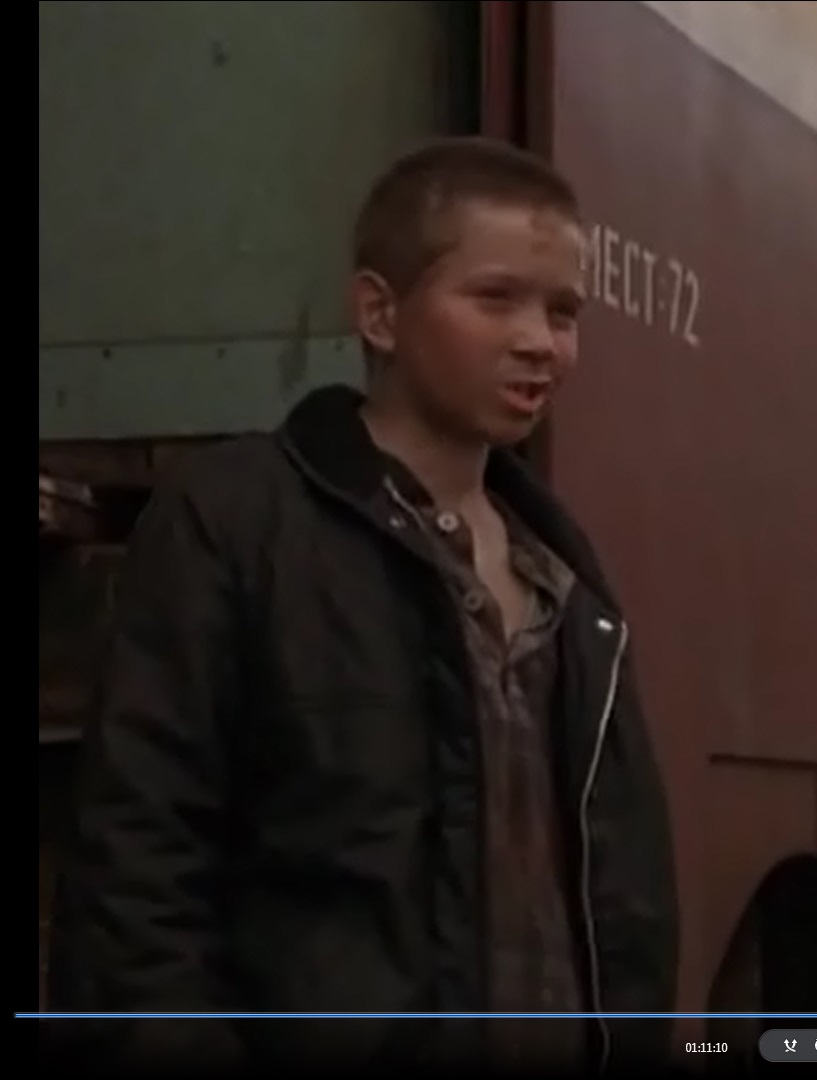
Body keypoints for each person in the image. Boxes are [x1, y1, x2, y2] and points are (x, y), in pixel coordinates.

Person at [49, 137, 678, 1074]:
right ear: (380, 312)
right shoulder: (239, 520)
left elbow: (622, 900)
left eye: (563, 311)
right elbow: (137, 868)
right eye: (496, 298)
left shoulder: (567, 581)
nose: (540, 341)